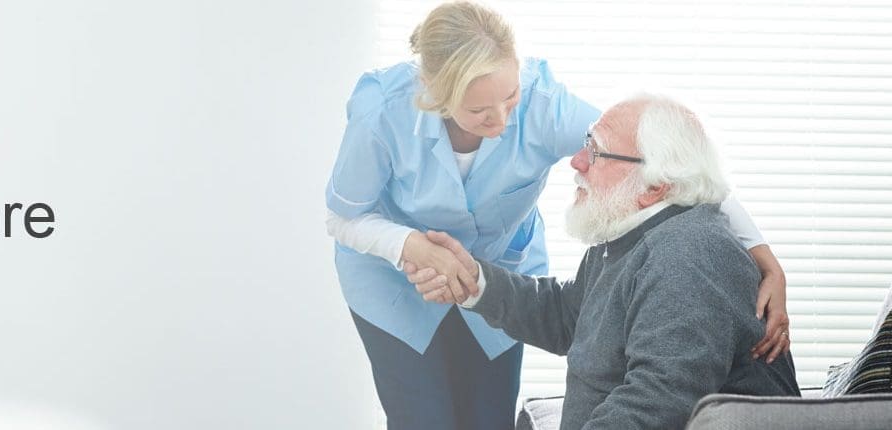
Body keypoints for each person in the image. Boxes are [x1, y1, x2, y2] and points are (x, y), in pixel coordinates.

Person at [324, 2, 791, 429]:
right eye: (480, 111)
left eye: (510, 99)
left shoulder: (683, 252)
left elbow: (674, 161)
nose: (505, 123)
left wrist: (760, 249)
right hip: (394, 277)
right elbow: (344, 217)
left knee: (488, 419)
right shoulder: (382, 113)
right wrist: (422, 252)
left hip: (496, 263)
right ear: (437, 97)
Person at [405, 93, 802, 429]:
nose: (577, 161)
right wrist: (474, 281)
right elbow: (568, 317)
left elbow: (661, 401)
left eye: (595, 151)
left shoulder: (686, 254)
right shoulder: (629, 234)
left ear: (654, 186)